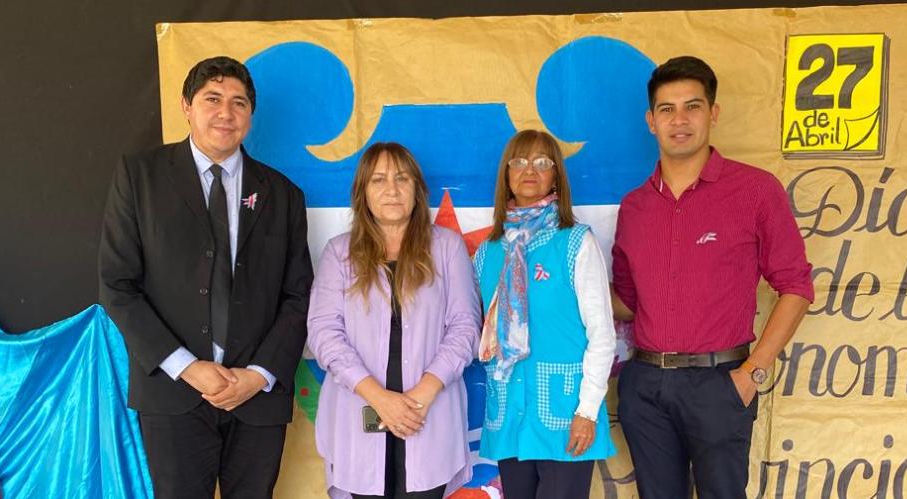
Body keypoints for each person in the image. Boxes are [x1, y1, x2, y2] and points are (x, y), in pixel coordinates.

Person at [98, 56, 313, 498]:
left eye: (238, 103)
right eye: (212, 99)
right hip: (173, 392)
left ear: (250, 116)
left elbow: (298, 295)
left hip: (258, 396)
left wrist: (258, 375)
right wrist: (188, 367)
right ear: (186, 106)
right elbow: (118, 285)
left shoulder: (284, 194)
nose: (225, 113)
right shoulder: (140, 178)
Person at [611, 55, 815, 498]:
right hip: (645, 385)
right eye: (667, 109)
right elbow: (626, 301)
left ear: (713, 113)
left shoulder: (755, 190)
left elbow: (796, 287)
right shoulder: (635, 207)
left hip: (720, 382)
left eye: (692, 106)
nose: (679, 120)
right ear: (651, 121)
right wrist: (551, 287)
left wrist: (752, 374)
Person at [307, 143, 480, 499]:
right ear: (362, 193)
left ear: (417, 189)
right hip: (360, 416)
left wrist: (420, 395)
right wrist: (379, 399)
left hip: (428, 416)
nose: (392, 189)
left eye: (402, 178)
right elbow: (325, 334)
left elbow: (465, 327)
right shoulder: (339, 253)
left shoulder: (446, 247)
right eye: (378, 180)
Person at [473, 130, 617, 499]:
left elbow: (601, 334)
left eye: (542, 162)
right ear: (506, 174)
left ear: (556, 176)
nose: (529, 170)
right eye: (519, 162)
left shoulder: (575, 242)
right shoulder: (487, 253)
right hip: (510, 415)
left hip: (565, 414)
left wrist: (587, 411)